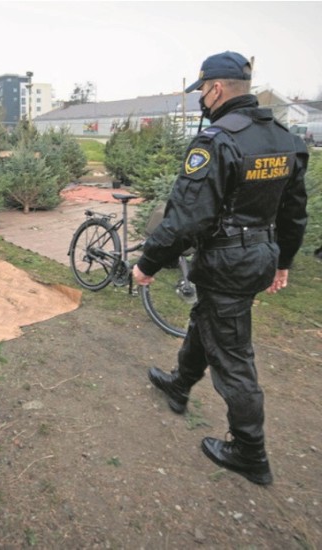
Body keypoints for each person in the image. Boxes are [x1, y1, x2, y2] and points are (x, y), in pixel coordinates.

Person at [133, 51, 308, 485]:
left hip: (228, 259)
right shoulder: (285, 138)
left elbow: (186, 217)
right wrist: (283, 261)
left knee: (233, 356)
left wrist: (148, 264)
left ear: (215, 88)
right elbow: (294, 212)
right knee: (210, 318)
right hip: (259, 255)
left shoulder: (218, 140)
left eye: (203, 93)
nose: (202, 102)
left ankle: (251, 452)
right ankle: (179, 384)